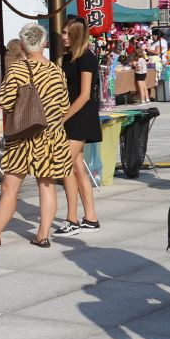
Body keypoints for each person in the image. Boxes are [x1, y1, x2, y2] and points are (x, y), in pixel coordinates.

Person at [0, 24, 74, 249]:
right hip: (53, 137)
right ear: (44, 43)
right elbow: (64, 106)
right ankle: (42, 235)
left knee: (10, 187)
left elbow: (4, 101)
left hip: (24, 137)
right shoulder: (57, 71)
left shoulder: (17, 70)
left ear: (24, 44)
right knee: (47, 185)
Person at [54, 18, 101, 235]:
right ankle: (90, 217)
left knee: (65, 164)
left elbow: (84, 95)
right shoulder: (67, 58)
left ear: (76, 34)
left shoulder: (86, 58)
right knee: (76, 166)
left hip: (81, 116)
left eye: (67, 32)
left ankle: (72, 219)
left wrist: (62, 118)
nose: (63, 36)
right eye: (62, 32)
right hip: (72, 115)